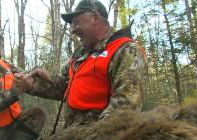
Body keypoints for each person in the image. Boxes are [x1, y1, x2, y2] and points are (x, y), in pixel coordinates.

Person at [15, 0, 147, 128]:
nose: (73, 30)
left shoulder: (125, 50)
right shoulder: (80, 54)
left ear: (95, 18)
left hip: (98, 138)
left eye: (77, 22)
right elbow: (66, 87)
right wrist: (33, 84)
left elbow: (125, 108)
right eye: (72, 25)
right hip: (72, 133)